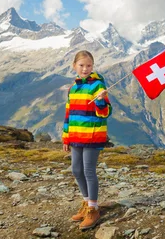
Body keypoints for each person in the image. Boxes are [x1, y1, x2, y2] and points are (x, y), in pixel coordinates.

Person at [62, 50, 111, 230]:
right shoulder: (73, 88)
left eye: (89, 65)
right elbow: (68, 114)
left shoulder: (98, 86)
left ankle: (93, 208)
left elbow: (105, 113)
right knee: (76, 169)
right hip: (75, 136)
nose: (85, 69)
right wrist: (66, 136)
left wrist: (101, 101)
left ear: (93, 66)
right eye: (81, 65)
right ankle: (85, 202)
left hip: (92, 136)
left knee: (89, 171)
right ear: (74, 66)